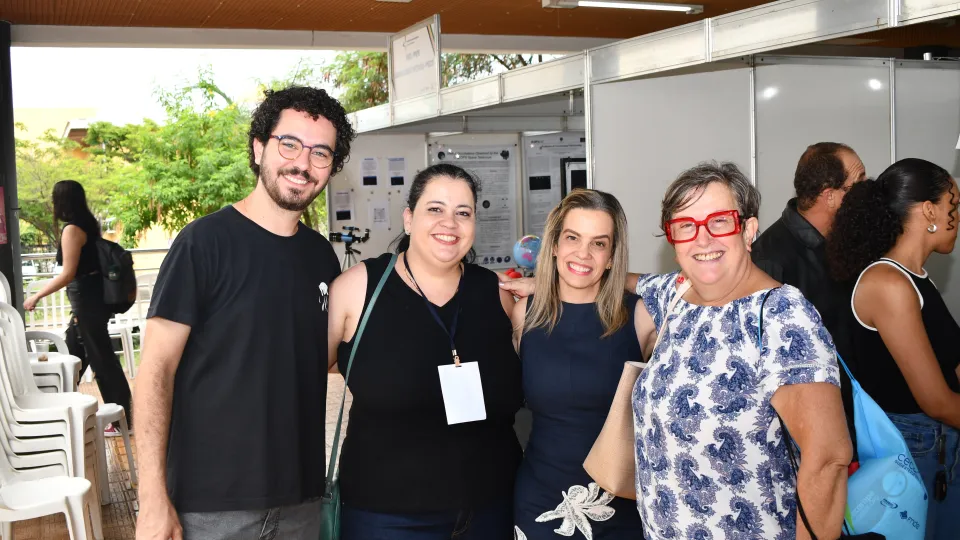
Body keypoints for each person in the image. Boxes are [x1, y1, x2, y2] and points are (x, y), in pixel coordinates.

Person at [134, 86, 355, 540]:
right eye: (289, 144)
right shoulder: (203, 243)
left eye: (320, 153)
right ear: (259, 148)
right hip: (211, 505)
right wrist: (153, 498)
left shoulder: (321, 258)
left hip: (301, 501)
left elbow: (324, 357)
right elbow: (155, 371)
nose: (303, 163)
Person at [631, 162, 851, 540]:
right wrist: (552, 279)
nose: (702, 240)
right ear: (673, 239)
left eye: (719, 221)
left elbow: (828, 459)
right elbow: (627, 279)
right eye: (686, 226)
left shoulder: (781, 314)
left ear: (749, 230)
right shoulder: (677, 294)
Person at [327, 163, 522, 540]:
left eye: (462, 213)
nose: (449, 223)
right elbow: (307, 368)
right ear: (409, 218)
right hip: (387, 517)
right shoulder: (358, 289)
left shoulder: (498, 294)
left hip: (491, 509)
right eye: (435, 209)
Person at [827, 158, 960, 540]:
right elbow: (935, 400)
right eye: (954, 205)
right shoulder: (887, 283)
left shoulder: (915, 277)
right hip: (916, 452)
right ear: (930, 210)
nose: (957, 216)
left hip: (936, 447)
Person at [511, 189, 646, 540]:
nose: (583, 253)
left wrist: (627, 281)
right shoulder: (524, 314)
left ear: (614, 255)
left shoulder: (641, 316)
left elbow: (697, 288)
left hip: (623, 504)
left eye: (599, 244)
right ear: (554, 244)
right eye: (572, 238)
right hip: (539, 503)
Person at [23, 180, 133, 434]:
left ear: (61, 201)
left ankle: (122, 419)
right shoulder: (87, 225)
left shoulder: (72, 230)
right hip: (90, 301)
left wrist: (36, 296)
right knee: (71, 352)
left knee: (102, 359)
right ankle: (60, 412)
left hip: (87, 302)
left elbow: (68, 273)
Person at [751, 142, 866, 332]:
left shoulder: (853, 238)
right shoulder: (769, 261)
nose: (867, 192)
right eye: (859, 184)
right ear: (829, 196)